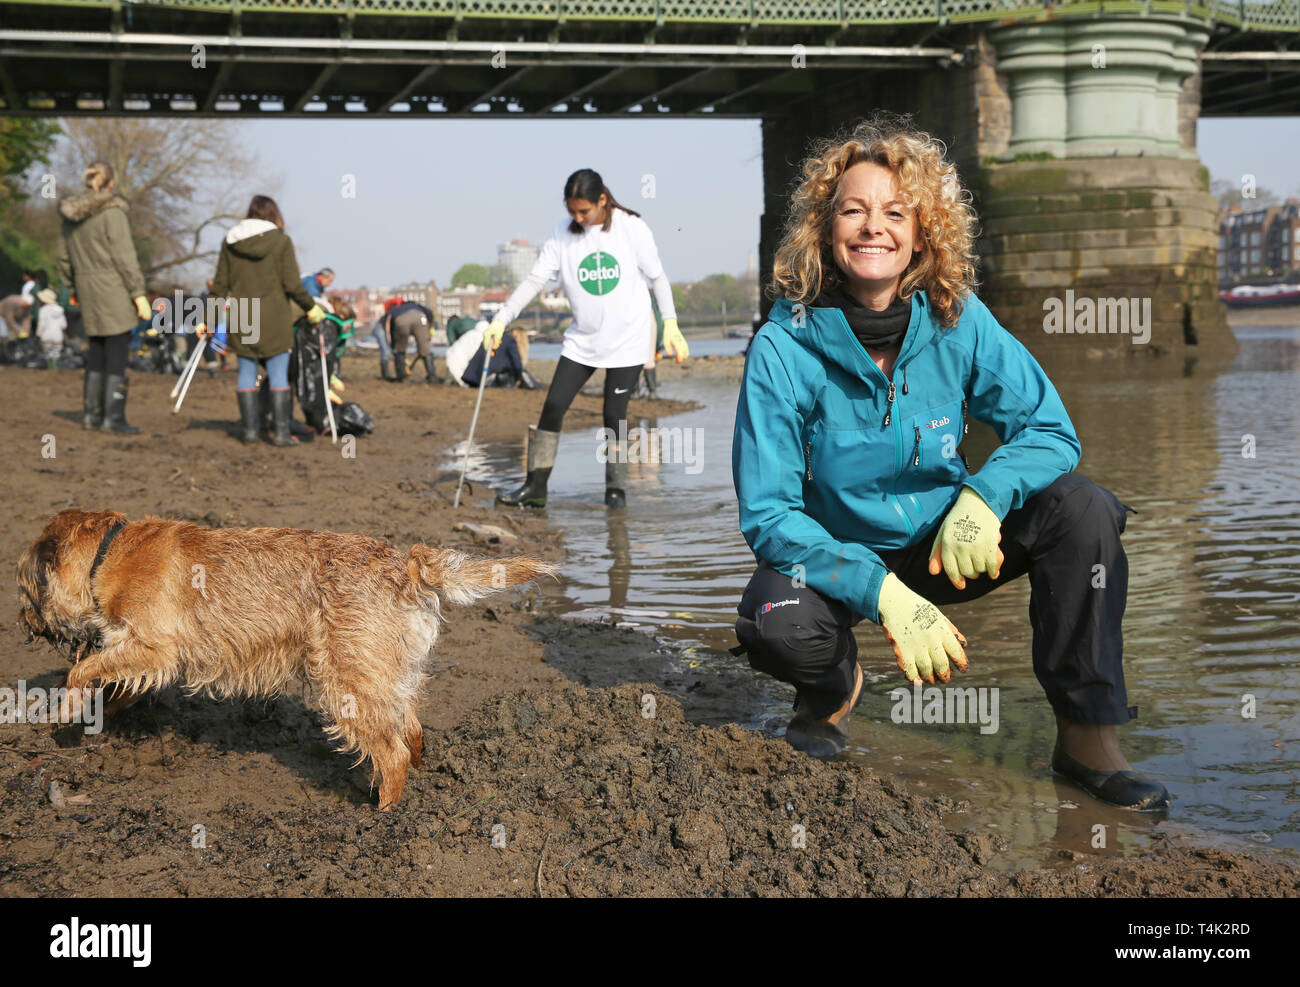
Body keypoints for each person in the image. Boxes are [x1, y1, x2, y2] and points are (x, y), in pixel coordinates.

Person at [731, 115, 1169, 811]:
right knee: (773, 617)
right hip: (841, 562)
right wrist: (883, 595)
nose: (874, 226)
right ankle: (830, 689)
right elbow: (770, 513)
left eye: (894, 212)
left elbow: (1050, 429)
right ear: (824, 229)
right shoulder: (783, 347)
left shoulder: (958, 318)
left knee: (1081, 507)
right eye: (854, 210)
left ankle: (1088, 739)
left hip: (950, 546)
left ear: (921, 232)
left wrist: (984, 498)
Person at [488, 168, 689, 509]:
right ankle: (535, 488)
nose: (578, 218)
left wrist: (670, 323)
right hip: (582, 341)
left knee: (614, 415)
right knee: (553, 406)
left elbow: (658, 278)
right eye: (572, 211)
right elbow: (536, 280)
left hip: (628, 341)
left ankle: (616, 492)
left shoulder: (631, 227)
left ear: (602, 200)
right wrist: (501, 318)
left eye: (585, 211)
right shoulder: (562, 235)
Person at [209, 195, 325, 446]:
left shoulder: (230, 243)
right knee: (278, 373)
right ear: (274, 215)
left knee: (246, 373)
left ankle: (250, 432)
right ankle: (281, 434)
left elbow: (220, 286)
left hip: (242, 313)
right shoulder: (281, 242)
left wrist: (208, 319)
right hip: (274, 315)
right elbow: (292, 284)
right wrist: (311, 307)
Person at [57, 160, 152, 433]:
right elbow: (125, 257)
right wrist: (138, 294)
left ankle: (91, 415)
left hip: (85, 287)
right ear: (110, 184)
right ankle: (113, 418)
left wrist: (72, 287)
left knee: (96, 347)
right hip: (113, 286)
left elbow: (63, 257)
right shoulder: (113, 213)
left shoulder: (70, 215)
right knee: (117, 349)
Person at [446, 321, 539, 389]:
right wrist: (519, 379)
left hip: (472, 376)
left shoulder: (489, 338)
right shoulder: (509, 340)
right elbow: (517, 364)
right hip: (490, 377)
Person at [384, 297, 439, 384]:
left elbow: (392, 327)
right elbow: (430, 312)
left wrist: (394, 345)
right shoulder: (418, 306)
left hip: (401, 320)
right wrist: (430, 327)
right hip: (420, 318)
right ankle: (432, 376)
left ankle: (402, 377)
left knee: (399, 350)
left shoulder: (397, 309)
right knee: (426, 350)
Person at [34, 287, 66, 369]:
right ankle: (55, 368)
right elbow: (64, 325)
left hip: (46, 335)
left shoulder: (43, 310)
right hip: (58, 336)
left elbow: (42, 324)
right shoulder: (60, 310)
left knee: (48, 353)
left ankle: (50, 368)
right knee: (56, 353)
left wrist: (38, 335)